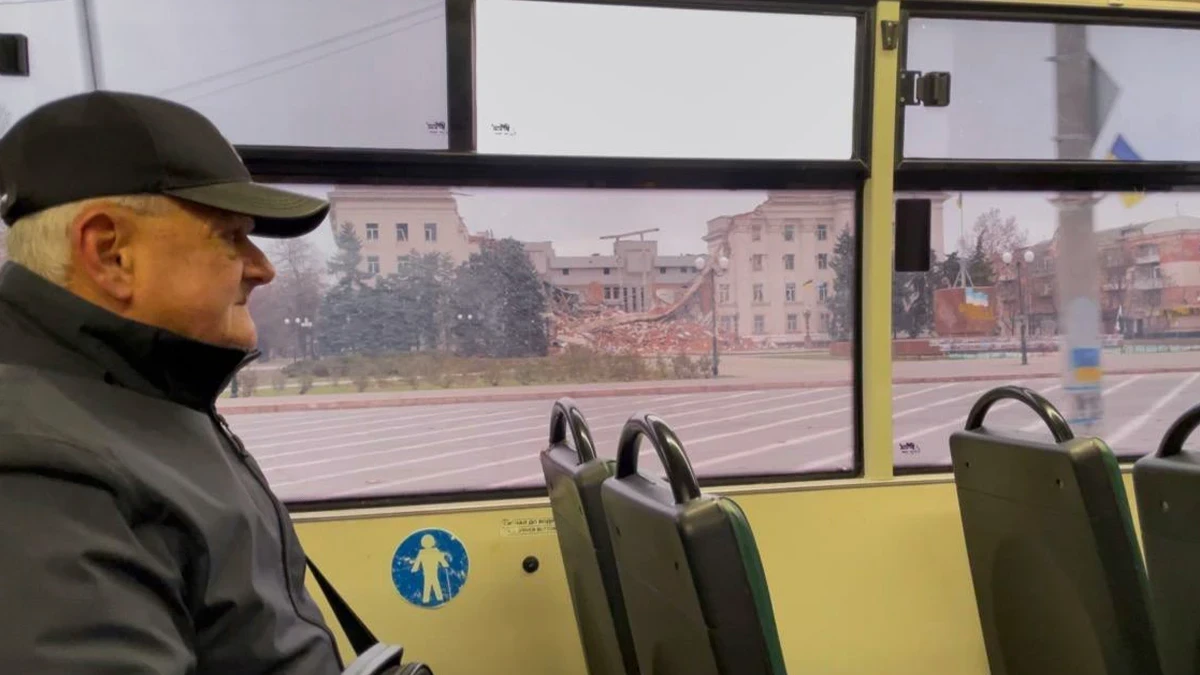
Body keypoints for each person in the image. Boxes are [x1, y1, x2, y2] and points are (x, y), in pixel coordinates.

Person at [0, 91, 343, 674]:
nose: (262, 268)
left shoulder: (134, 393)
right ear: (110, 253)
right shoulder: (40, 467)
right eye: (230, 236)